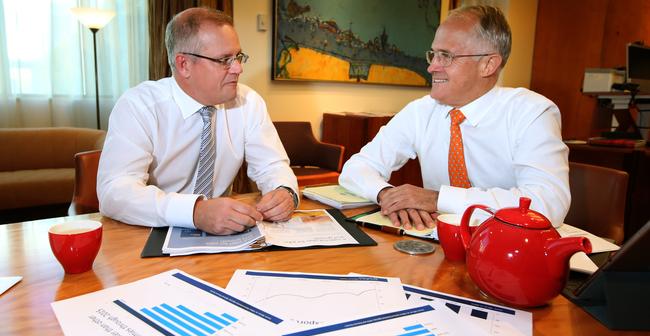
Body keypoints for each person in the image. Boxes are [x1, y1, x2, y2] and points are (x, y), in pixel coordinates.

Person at [339, 5, 570, 229]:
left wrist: (438, 200)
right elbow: (356, 167)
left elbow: (548, 204)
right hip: (433, 242)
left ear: (488, 64)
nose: (431, 68)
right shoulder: (421, 111)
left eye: (446, 56)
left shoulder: (532, 112)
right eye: (434, 54)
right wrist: (388, 195)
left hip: (507, 249)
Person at [97, 8, 298, 235]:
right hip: (150, 231)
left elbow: (272, 166)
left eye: (238, 57)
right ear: (184, 65)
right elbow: (115, 192)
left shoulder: (249, 102)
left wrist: (285, 191)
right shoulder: (139, 106)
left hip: (226, 232)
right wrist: (195, 212)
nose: (238, 68)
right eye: (225, 60)